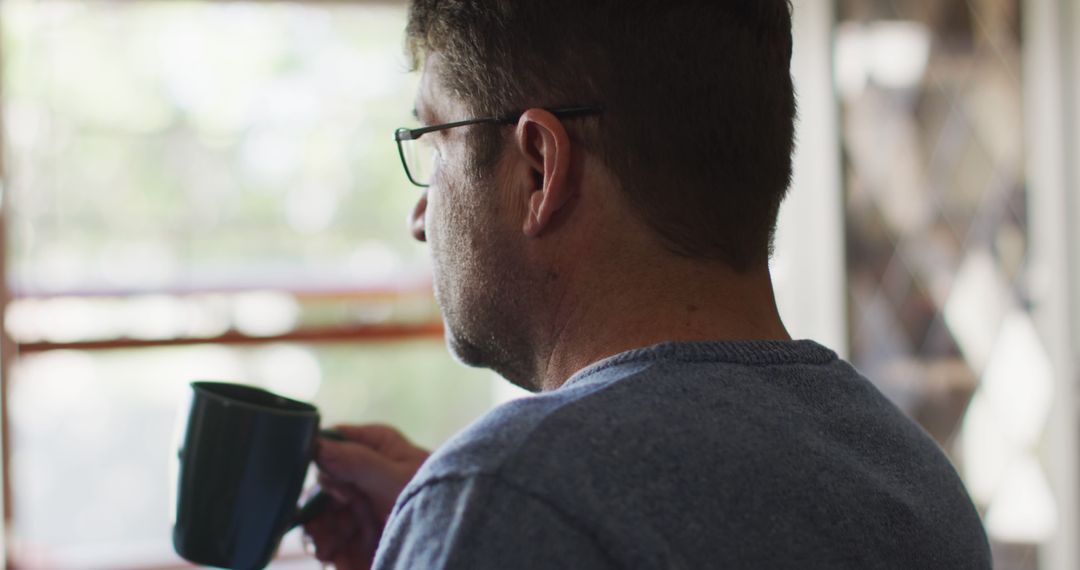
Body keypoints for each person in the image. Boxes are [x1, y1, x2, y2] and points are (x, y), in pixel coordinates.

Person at [304, 0, 992, 568]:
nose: (419, 216)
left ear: (539, 170)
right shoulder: (917, 485)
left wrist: (474, 518)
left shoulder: (507, 495)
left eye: (435, 142)